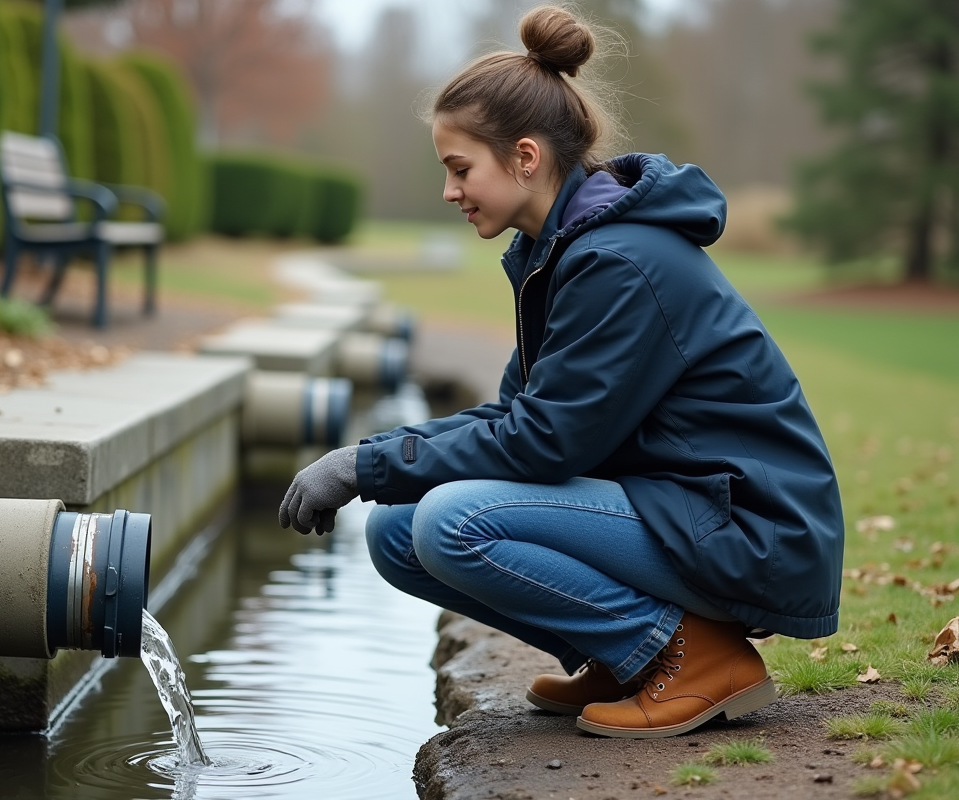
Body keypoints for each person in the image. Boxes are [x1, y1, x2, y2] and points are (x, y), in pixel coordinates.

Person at [279, 2, 844, 739]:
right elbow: (515, 417)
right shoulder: (565, 252)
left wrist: (365, 461)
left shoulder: (616, 260)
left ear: (524, 156)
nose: (450, 192)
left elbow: (545, 443)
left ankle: (693, 659)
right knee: (397, 533)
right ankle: (631, 656)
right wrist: (372, 464)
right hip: (685, 509)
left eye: (459, 169)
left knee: (454, 521)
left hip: (749, 528)